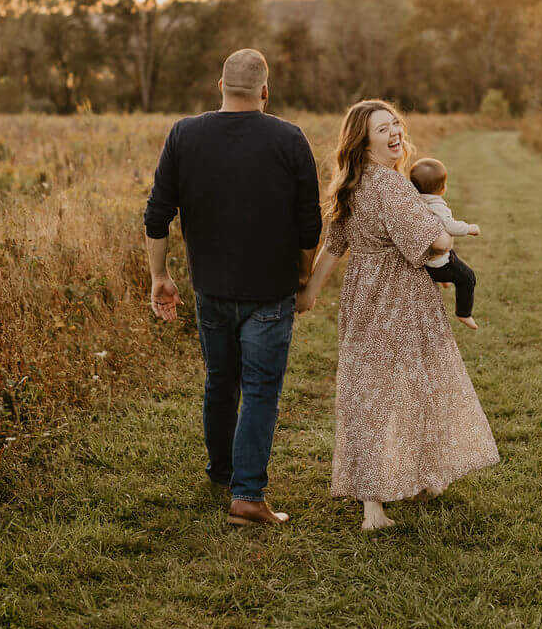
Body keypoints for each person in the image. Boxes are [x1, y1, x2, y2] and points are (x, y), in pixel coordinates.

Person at [295, 100, 498, 531]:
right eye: (382, 129)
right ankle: (378, 502)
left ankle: (412, 482)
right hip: (400, 297)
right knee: (412, 385)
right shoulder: (391, 186)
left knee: (370, 389)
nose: (394, 134)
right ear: (363, 141)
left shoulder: (352, 185)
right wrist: (445, 229)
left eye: (396, 125)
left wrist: (310, 291)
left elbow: (335, 243)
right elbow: (437, 243)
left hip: (363, 296)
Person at [144, 49, 321, 528]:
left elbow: (157, 214)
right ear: (265, 91)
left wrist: (160, 278)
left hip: (210, 293)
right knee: (261, 390)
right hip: (268, 293)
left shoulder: (184, 133)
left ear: (218, 86)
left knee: (221, 382)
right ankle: (246, 496)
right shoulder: (289, 138)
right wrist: (303, 278)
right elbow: (310, 226)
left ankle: (223, 472)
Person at [407, 156, 480, 330]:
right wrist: (470, 228)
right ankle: (464, 313)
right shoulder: (437, 206)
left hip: (427, 257)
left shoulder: (414, 201)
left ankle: (446, 279)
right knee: (468, 277)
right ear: (442, 189)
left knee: (453, 258)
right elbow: (450, 225)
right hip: (437, 263)